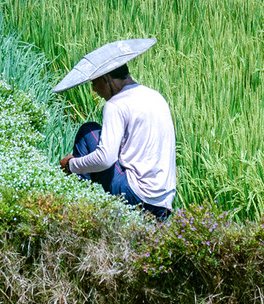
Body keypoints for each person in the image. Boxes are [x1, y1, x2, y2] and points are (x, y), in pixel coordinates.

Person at [58, 58, 176, 219]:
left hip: (136, 196)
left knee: (88, 131)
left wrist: (72, 165)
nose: (94, 90)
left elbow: (105, 159)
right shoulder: (155, 96)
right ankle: (86, 204)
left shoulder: (116, 104)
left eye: (95, 82)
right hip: (163, 204)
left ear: (107, 79)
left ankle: (79, 210)